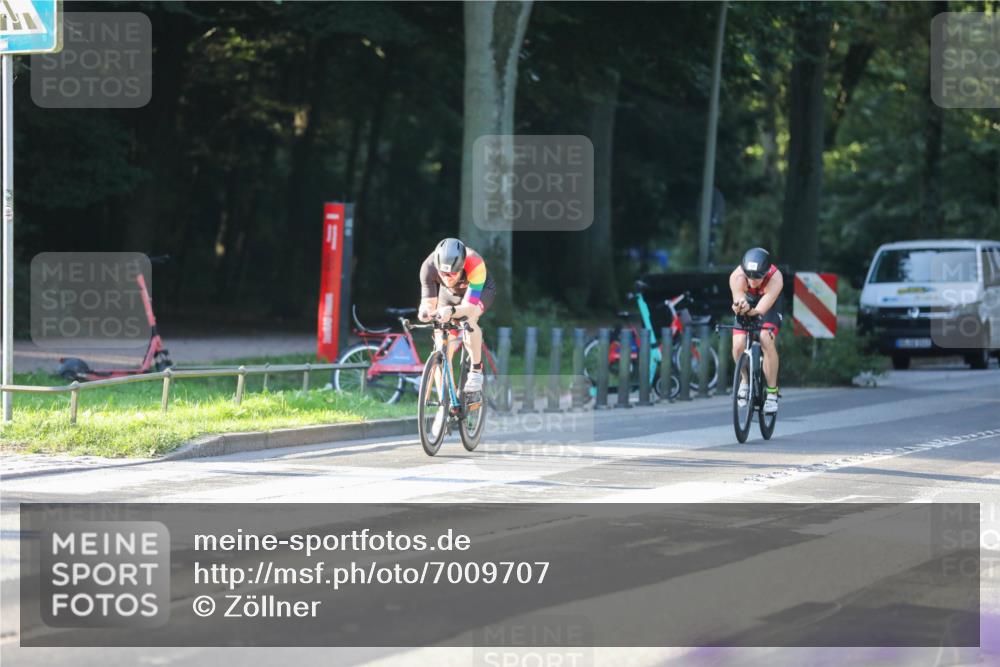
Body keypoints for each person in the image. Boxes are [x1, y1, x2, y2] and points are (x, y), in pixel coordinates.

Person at [417, 238, 496, 392]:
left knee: (468, 319)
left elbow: (468, 307)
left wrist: (452, 311)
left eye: (452, 273)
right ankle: (446, 405)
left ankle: (476, 371)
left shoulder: (475, 263)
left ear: (462, 266)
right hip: (449, 295)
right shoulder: (428, 266)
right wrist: (425, 312)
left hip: (480, 291)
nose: (447, 277)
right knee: (441, 348)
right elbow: (428, 303)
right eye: (443, 273)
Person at [729, 247, 783, 413]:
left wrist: (750, 311)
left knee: (765, 337)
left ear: (766, 273)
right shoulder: (736, 277)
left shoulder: (776, 279)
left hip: (769, 306)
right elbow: (739, 300)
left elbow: (759, 312)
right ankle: (744, 380)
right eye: (749, 276)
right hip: (749, 302)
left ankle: (772, 392)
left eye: (757, 277)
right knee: (738, 344)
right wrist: (739, 307)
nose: (752, 281)